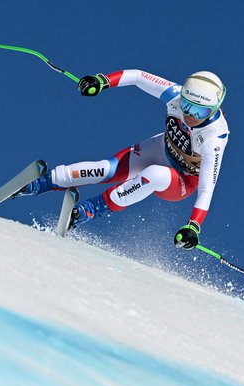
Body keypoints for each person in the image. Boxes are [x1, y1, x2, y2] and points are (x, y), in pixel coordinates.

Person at [15, 69, 230, 250]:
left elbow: (206, 189)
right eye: (187, 106)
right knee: (105, 169)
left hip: (180, 180)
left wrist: (193, 226)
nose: (191, 115)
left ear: (213, 110)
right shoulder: (173, 94)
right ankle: (41, 183)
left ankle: (90, 210)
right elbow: (137, 76)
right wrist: (103, 81)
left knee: (153, 175)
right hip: (160, 149)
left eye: (200, 111)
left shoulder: (214, 139)